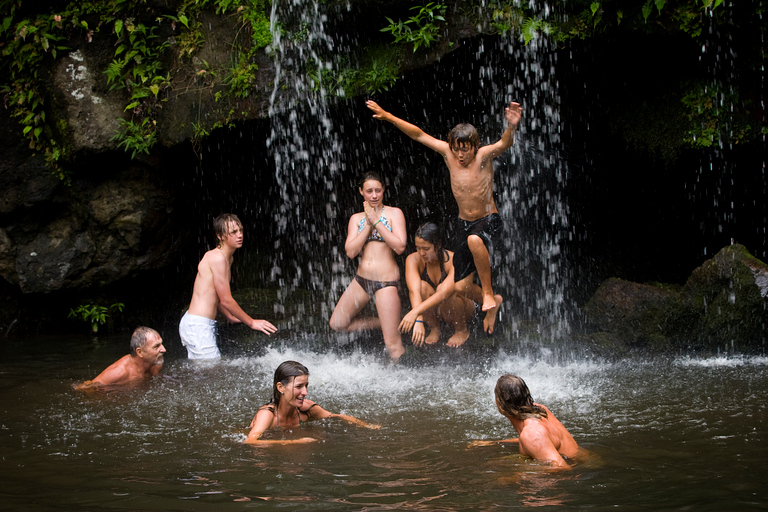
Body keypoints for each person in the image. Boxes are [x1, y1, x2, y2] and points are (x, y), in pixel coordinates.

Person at [366, 100, 523, 334]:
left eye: (465, 149)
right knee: (460, 286)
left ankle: (489, 292)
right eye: (456, 148)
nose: (460, 154)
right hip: (465, 224)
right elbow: (418, 135)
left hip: (489, 220)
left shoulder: (483, 157)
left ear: (475, 146)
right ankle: (493, 303)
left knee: (474, 240)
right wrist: (388, 115)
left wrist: (511, 127)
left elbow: (504, 142)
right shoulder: (449, 155)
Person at [329, 172, 406, 362]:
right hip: (361, 280)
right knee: (337, 323)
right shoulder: (356, 219)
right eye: (369, 191)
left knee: (392, 343)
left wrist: (377, 222)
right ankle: (383, 322)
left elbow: (400, 246)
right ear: (361, 192)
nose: (374, 195)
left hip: (386, 282)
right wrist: (367, 225)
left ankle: (402, 378)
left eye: (378, 190)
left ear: (383, 191)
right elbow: (350, 251)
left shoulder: (394, 213)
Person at [179, 213, 277, 359]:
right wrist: (251, 322)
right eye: (233, 232)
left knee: (205, 372)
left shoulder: (227, 258)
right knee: (211, 371)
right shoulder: (218, 258)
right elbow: (226, 300)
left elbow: (214, 294)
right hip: (197, 325)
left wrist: (229, 316)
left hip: (198, 324)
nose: (240, 235)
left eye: (241, 230)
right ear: (220, 236)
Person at [244, 361, 380, 445]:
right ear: (280, 388)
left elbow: (335, 416)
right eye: (299, 387)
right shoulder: (268, 415)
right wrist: (295, 442)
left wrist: (367, 426)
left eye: (306, 385)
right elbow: (250, 442)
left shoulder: (307, 409)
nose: (305, 392)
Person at [469, 374, 579, 469]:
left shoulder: (531, 433)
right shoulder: (540, 410)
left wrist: (516, 478)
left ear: (499, 402)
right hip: (583, 459)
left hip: (577, 467)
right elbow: (542, 440)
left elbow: (562, 468)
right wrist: (496, 442)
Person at [399, 222, 475, 347]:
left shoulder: (453, 259)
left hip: (462, 308)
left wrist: (414, 313)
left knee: (447, 290)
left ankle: (461, 330)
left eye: (426, 249)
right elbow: (414, 291)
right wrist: (418, 320)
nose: (421, 253)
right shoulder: (413, 259)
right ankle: (435, 328)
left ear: (438, 245)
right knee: (422, 286)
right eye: (418, 248)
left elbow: (444, 292)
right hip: (437, 310)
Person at [74, 326, 165, 390]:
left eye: (161, 344)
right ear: (140, 352)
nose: (164, 349)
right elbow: (85, 388)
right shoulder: (119, 372)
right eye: (156, 346)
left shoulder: (156, 364)